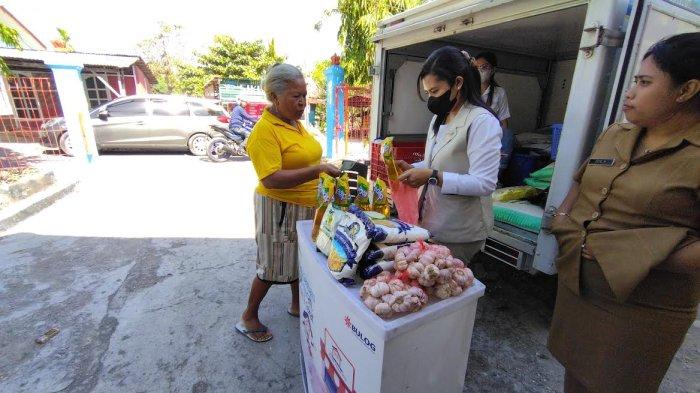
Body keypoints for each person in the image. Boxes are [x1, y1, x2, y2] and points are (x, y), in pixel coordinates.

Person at [548, 32, 699, 393]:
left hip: (641, 309)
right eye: (634, 81)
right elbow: (581, 182)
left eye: (644, 83)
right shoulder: (617, 133)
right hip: (579, 288)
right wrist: (563, 221)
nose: (630, 92)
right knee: (574, 375)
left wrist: (622, 253)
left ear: (687, 90)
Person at [238, 63, 341, 343]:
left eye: (304, 95)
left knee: (301, 259)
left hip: (306, 204)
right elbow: (271, 179)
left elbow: (304, 158)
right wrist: (317, 170)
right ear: (274, 97)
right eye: (295, 96)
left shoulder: (294, 123)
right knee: (272, 267)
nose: (302, 103)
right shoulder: (264, 131)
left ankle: (298, 305)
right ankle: (249, 317)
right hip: (279, 207)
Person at [397, 46, 502, 263]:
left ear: (458, 83)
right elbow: (435, 160)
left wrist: (432, 176)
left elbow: (484, 183)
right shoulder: (440, 118)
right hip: (430, 222)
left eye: (435, 91)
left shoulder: (482, 121)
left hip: (459, 230)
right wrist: (413, 168)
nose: (431, 99)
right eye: (428, 93)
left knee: (449, 289)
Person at [474, 51, 513, 177]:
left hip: (490, 141)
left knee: (488, 176)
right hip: (470, 139)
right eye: (476, 67)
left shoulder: (499, 93)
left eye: (484, 67)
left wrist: (502, 145)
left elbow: (504, 122)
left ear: (493, 70)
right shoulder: (467, 90)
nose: (480, 70)